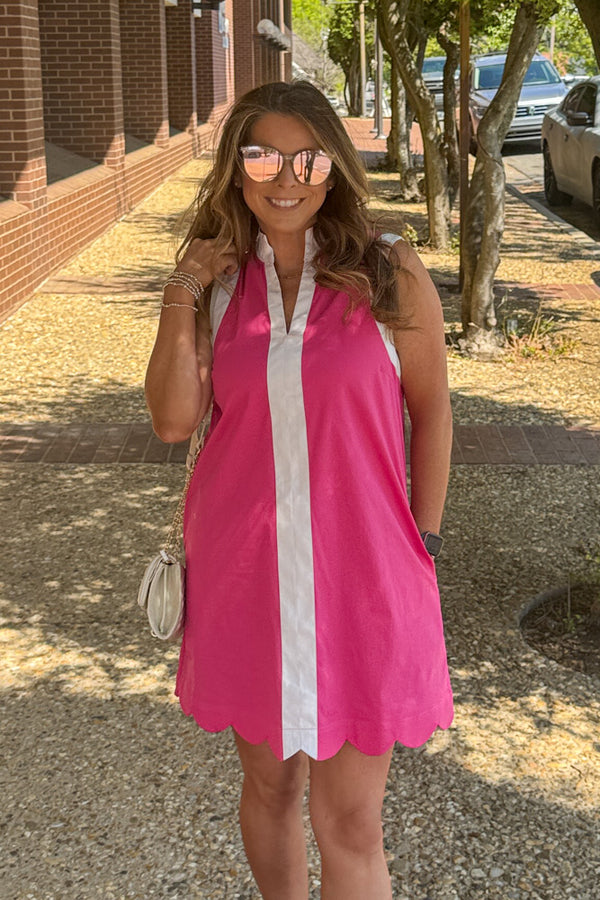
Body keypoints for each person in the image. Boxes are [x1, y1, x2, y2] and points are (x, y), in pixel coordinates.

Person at [145, 80, 454, 900]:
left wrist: (422, 540)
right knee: (273, 790)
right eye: (262, 154)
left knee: (350, 822)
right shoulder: (215, 285)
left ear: (333, 164)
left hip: (365, 579)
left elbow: (432, 411)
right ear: (234, 168)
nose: (286, 176)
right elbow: (175, 422)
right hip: (247, 579)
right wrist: (182, 289)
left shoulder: (388, 271)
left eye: (307, 156)